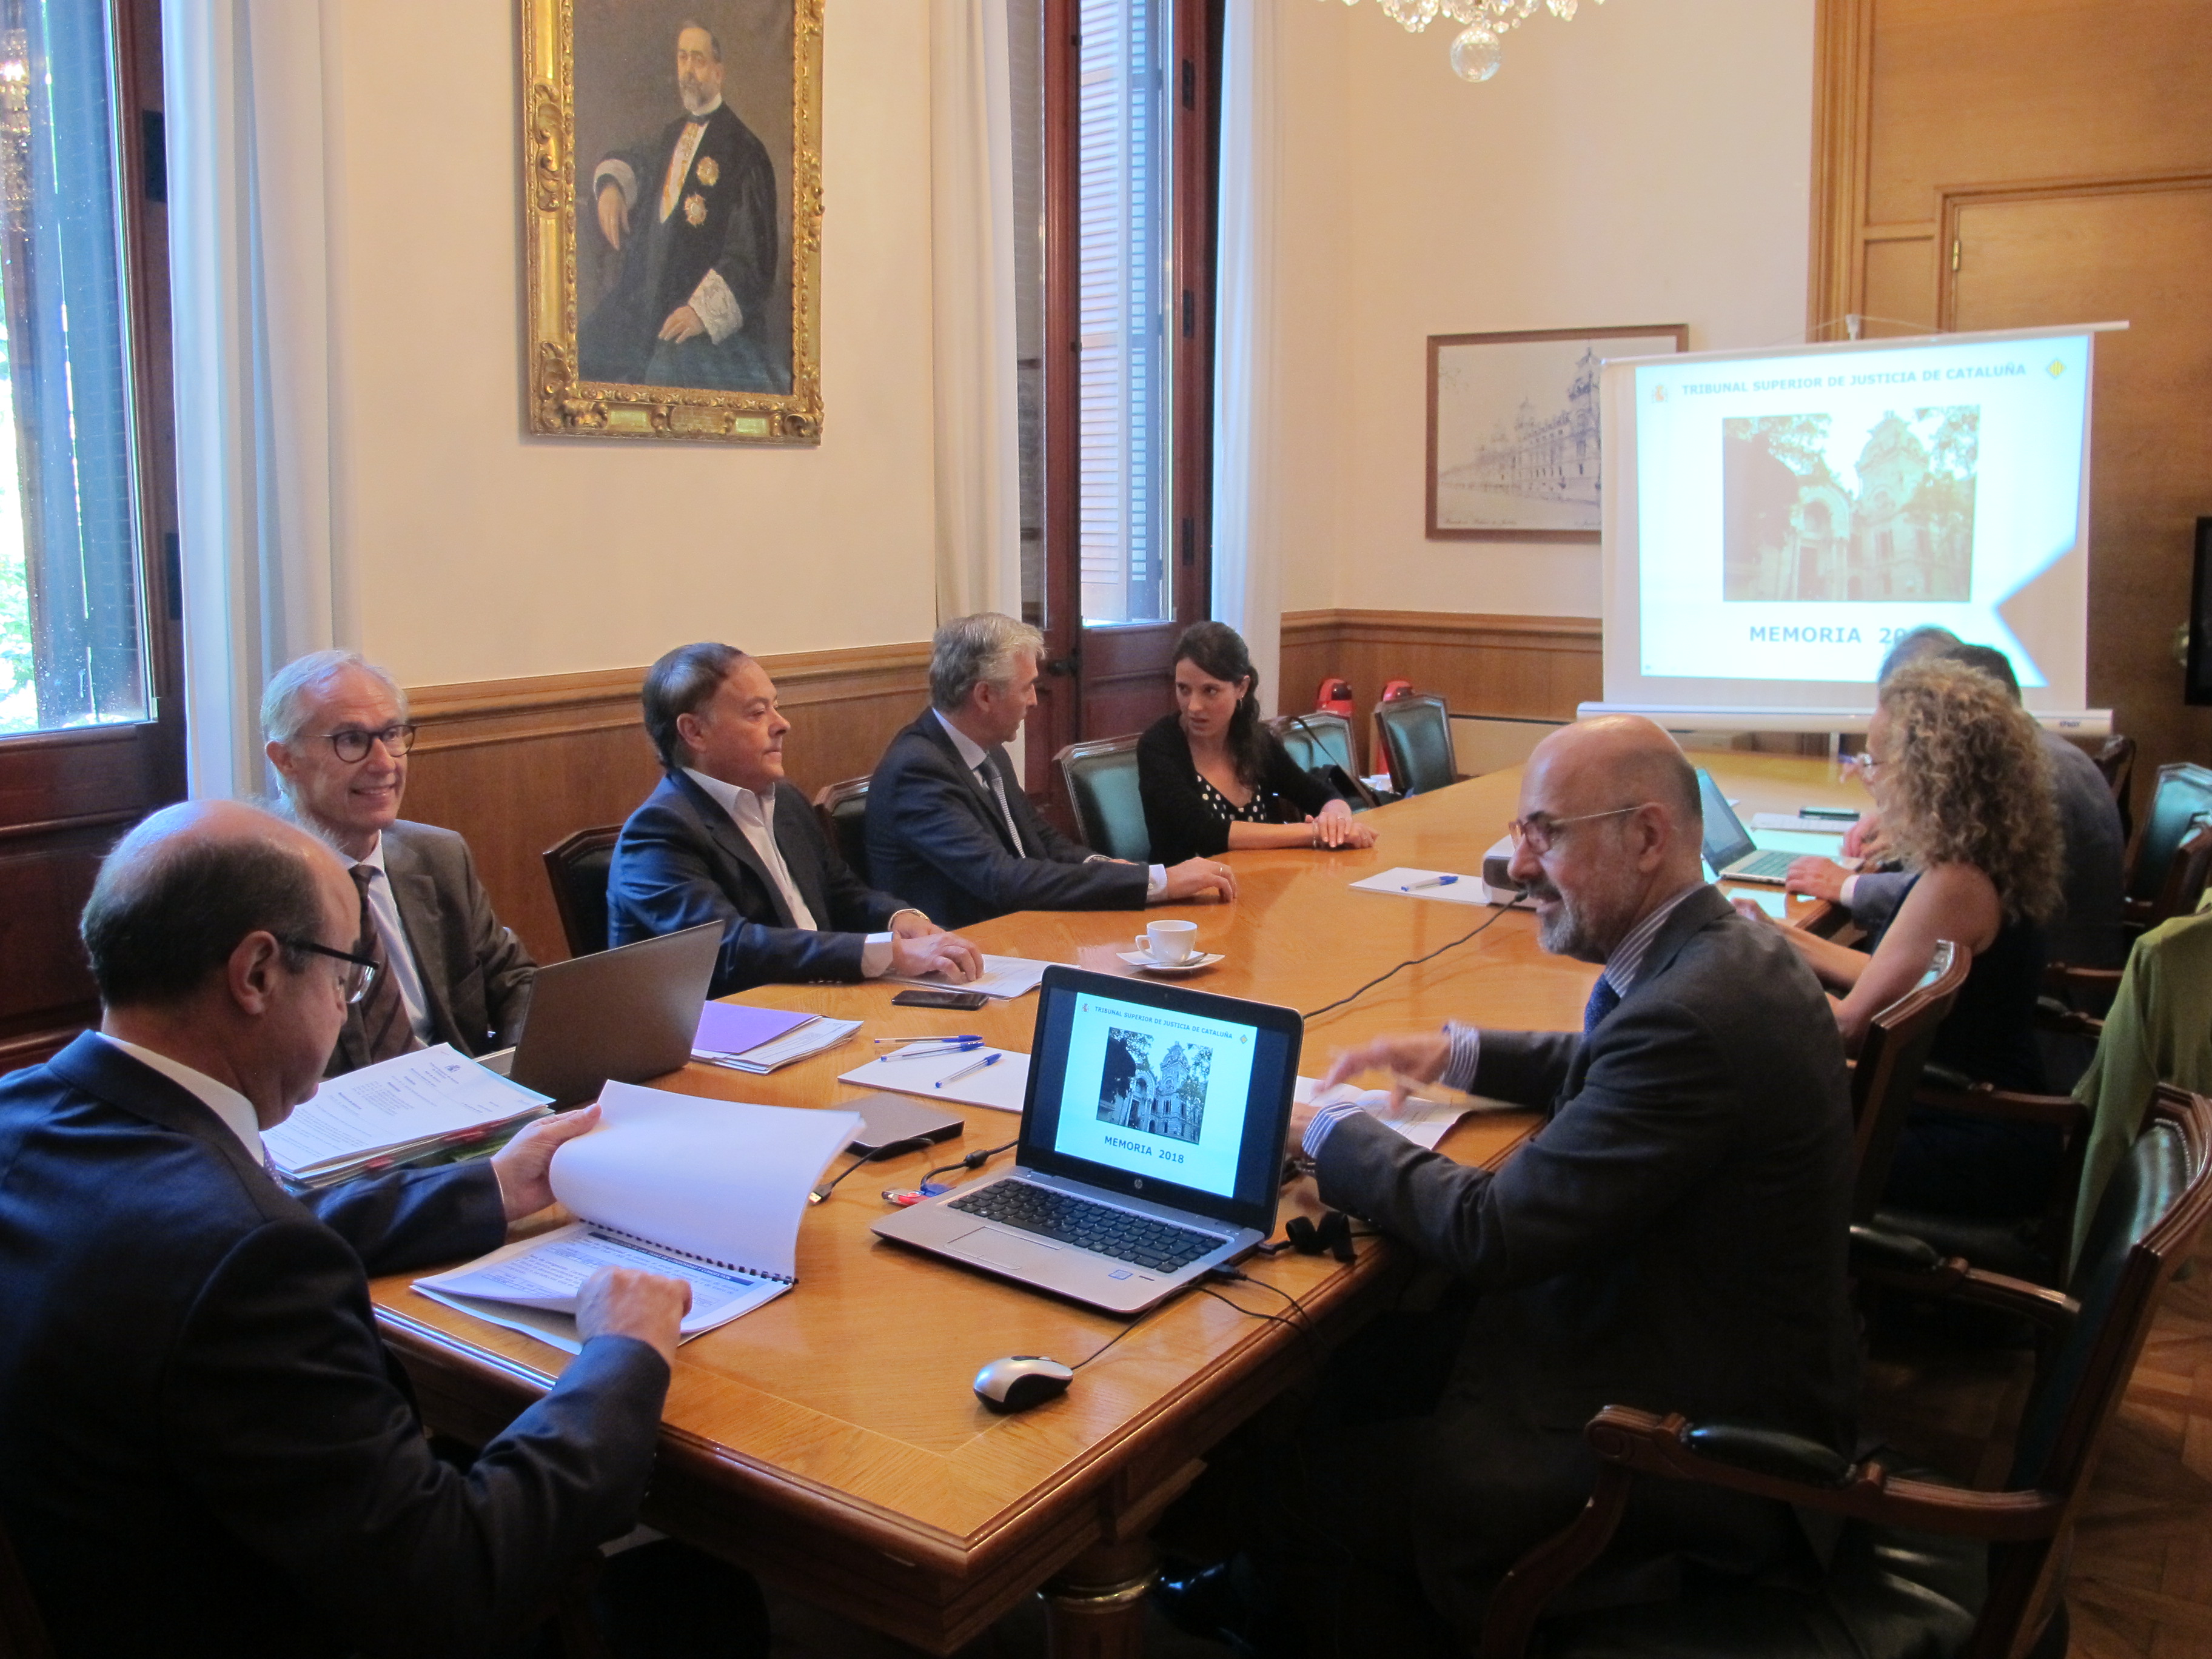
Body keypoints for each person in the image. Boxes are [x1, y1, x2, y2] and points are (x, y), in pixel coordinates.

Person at [0, 800, 760, 1657]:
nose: (345, 1006)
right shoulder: (248, 1262)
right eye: (343, 976)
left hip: (115, 1575)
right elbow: (454, 1581)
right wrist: (623, 1354)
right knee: (708, 1597)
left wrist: (489, 1189)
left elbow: (232, 1230)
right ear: (254, 975)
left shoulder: (29, 1116)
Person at [1176, 717, 1857, 1655]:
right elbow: (1609, 1058)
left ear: (1648, 836)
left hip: (1674, 1449)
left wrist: (1329, 1130)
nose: (1518, 865)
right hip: (1680, 1349)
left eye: (1547, 834)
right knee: (1352, 1368)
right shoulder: (1721, 951)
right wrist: (1460, 1051)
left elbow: (1495, 1231)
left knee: (1285, 1487)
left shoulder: (1692, 1019)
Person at [1748, 659, 2063, 1217]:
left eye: (1875, 761)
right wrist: (1770, 935)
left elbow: (1850, 1028)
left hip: (1963, 1133)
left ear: (1927, 772)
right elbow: (1888, 977)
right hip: (1971, 1113)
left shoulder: (1956, 886)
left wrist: (1745, 984)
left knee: (1738, 1146)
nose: (1868, 776)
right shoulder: (1983, 858)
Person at [608, 642, 982, 997]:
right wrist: (891, 954)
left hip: (823, 1004)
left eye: (776, 706)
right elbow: (728, 948)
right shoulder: (659, 832)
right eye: (757, 713)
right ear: (695, 732)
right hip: (733, 1033)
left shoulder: (784, 800)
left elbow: (841, 893)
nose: (782, 723)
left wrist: (897, 920)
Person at [866, 612, 1239, 928]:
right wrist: (1158, 881)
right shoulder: (917, 772)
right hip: (963, 957)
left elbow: (1039, 838)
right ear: (984, 696)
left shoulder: (987, 750)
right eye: (1027, 688)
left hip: (1019, 934)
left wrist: (1106, 866)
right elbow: (1002, 878)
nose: (1034, 701)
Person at [1786, 626, 2125, 972]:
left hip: (2059, 985)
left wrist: (1849, 885)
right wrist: (1907, 821)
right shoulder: (2028, 760)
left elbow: (1950, 900)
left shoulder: (2033, 781)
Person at [262, 649, 535, 1074]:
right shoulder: (254, 884)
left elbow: (516, 982)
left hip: (466, 1101)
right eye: (351, 740)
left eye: (391, 735)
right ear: (285, 759)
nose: (384, 763)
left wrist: (520, 1074)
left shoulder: (439, 856)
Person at [578, 21, 785, 393]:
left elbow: (753, 258)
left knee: (665, 377)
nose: (688, 71)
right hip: (640, 306)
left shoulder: (745, 151)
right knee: (580, 357)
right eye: (682, 58)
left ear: (719, 73)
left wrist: (701, 313)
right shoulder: (671, 134)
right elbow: (633, 161)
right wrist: (611, 187)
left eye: (699, 61)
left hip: (695, 322)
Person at [1138, 621, 1378, 866]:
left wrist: (1337, 819)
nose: (1194, 706)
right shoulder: (1158, 746)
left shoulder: (1256, 739)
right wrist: (1314, 833)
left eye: (1210, 691)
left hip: (1262, 886)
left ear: (1241, 687)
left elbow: (1319, 793)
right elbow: (1207, 834)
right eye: (1184, 689)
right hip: (1189, 898)